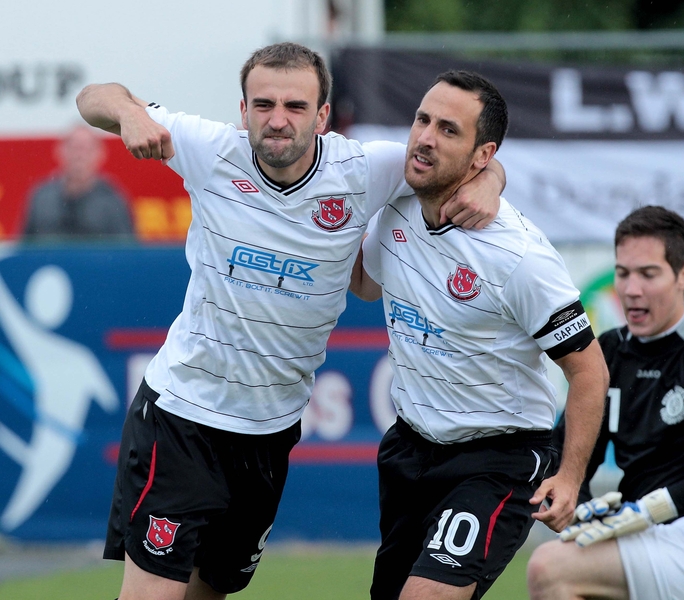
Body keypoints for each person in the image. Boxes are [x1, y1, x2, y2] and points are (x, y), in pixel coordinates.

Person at [75, 43, 505, 600]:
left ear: (323, 116)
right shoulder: (209, 149)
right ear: (243, 109)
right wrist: (132, 113)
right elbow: (93, 97)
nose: (278, 120)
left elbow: (461, 154)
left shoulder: (364, 169)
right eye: (264, 105)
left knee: (211, 591)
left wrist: (488, 182)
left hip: (270, 433)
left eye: (296, 107)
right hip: (182, 421)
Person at [348, 70, 609, 600]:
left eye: (448, 130)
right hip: (410, 449)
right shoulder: (396, 205)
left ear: (481, 155)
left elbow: (589, 370)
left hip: (499, 459)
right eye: (422, 119)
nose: (424, 137)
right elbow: (366, 287)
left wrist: (572, 475)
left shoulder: (519, 257)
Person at [526, 205, 684, 600]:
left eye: (648, 274)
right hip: (646, 535)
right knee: (571, 557)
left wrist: (658, 506)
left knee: (550, 569)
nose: (630, 289)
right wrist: (581, 508)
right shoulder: (608, 354)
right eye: (623, 273)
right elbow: (568, 457)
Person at [22, 125, 135, 240]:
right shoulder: (42, 197)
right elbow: (24, 248)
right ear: (59, 150)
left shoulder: (112, 199)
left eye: (86, 149)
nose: (79, 155)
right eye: (74, 148)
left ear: (100, 153)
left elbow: (126, 251)